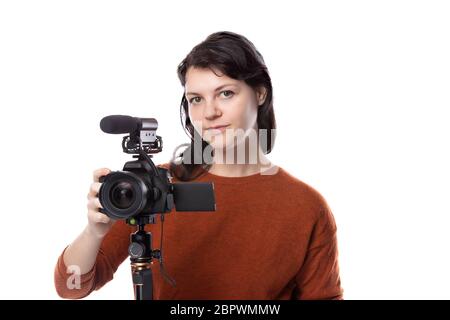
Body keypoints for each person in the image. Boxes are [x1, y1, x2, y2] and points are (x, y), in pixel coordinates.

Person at [54, 31, 344, 300]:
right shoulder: (152, 187)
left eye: (226, 93)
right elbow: (71, 287)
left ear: (260, 93)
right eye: (196, 99)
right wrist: (94, 231)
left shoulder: (306, 207)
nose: (210, 112)